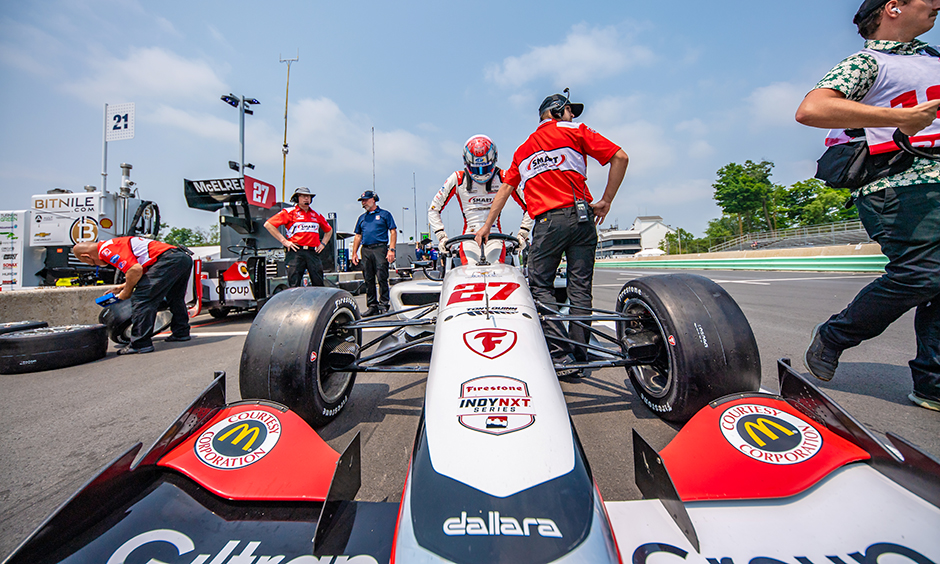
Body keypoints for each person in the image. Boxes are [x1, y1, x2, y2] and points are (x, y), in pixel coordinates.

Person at [795, 0, 940, 411]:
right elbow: (812, 109)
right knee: (922, 274)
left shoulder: (933, 58)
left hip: (936, 180)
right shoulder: (869, 63)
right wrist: (897, 117)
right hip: (898, 184)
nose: (936, 3)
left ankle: (933, 384)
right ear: (892, 8)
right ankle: (835, 335)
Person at [475, 91, 629, 376]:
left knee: (539, 286)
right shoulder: (576, 131)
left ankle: (560, 356)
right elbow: (620, 157)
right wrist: (606, 200)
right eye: (570, 111)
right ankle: (580, 356)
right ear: (557, 111)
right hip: (583, 218)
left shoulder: (523, 150)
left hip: (548, 223)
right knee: (580, 289)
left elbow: (506, 189)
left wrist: (486, 225)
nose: (573, 117)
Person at [72, 237, 193, 354]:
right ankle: (181, 332)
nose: (94, 265)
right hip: (180, 258)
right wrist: (122, 287)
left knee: (142, 299)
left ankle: (140, 344)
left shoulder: (106, 250)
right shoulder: (115, 243)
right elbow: (140, 269)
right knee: (175, 297)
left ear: (86, 256)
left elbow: (135, 269)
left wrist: (126, 292)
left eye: (90, 263)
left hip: (168, 260)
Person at [428, 134, 534, 263]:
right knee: (469, 272)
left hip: (495, 236)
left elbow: (530, 205)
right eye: (476, 168)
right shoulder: (457, 178)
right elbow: (433, 209)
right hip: (469, 236)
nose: (480, 172)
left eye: (484, 167)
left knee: (496, 270)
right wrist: (441, 237)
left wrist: (522, 235)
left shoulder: (504, 177)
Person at [264, 186, 333, 288]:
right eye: (303, 196)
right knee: (294, 283)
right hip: (295, 251)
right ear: (297, 198)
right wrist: (284, 241)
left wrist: (323, 244)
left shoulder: (316, 214)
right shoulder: (289, 212)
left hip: (312, 252)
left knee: (318, 282)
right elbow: (268, 224)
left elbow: (329, 230)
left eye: (308, 197)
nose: (306, 199)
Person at [351, 190, 397, 316]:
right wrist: (354, 253)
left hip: (380, 248)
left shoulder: (384, 214)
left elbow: (393, 231)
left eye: (366, 200)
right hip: (366, 249)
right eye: (362, 201)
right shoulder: (362, 218)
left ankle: (384, 304)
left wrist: (391, 249)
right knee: (368, 278)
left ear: (373, 199)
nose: (364, 203)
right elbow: (358, 236)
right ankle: (372, 305)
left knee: (382, 277)